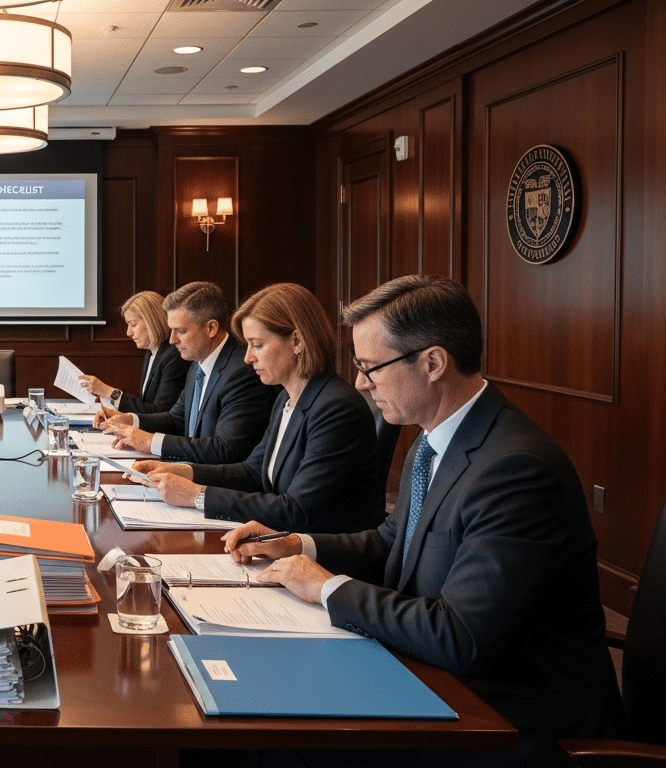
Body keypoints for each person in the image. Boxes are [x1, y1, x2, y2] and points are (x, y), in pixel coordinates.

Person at [226, 276, 624, 767]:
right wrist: (299, 546)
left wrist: (327, 589)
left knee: (279, 734)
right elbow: (393, 541)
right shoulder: (434, 439)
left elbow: (460, 637)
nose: (362, 384)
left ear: (433, 363)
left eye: (372, 368)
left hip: (512, 719)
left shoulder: (516, 469)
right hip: (443, 680)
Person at [135, 283, 384, 534]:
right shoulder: (286, 399)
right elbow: (252, 472)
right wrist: (182, 470)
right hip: (279, 542)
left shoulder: (336, 408)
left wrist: (198, 495)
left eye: (257, 344)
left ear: (297, 340)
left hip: (319, 556)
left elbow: (295, 510)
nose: (247, 357)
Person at [98, 282, 276, 465]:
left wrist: (150, 442)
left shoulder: (241, 372)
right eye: (172, 330)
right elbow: (176, 419)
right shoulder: (198, 362)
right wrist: (131, 420)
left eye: (180, 331)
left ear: (211, 328)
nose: (173, 340)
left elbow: (224, 450)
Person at [78, 291, 190, 414]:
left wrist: (109, 392)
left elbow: (161, 412)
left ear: (152, 322)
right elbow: (146, 406)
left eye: (133, 324)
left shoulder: (175, 356)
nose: (128, 333)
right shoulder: (151, 353)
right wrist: (114, 412)